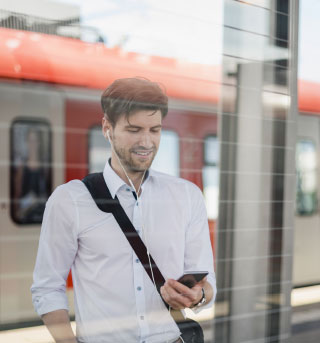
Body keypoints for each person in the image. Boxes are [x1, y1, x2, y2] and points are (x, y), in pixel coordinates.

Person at [31, 77, 216, 343]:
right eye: (134, 129)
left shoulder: (186, 196)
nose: (146, 142)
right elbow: (47, 287)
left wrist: (197, 296)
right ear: (107, 128)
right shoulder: (69, 200)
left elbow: (209, 287)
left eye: (155, 130)